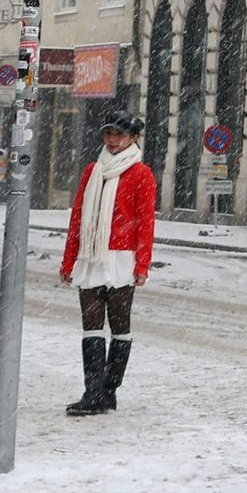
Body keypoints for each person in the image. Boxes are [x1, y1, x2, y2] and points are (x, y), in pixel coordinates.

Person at [57, 113, 154, 417]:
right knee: (91, 326)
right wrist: (69, 258)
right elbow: (77, 217)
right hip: (90, 255)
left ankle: (109, 390)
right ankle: (92, 392)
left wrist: (142, 264)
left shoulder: (141, 174)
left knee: (120, 325)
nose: (113, 141)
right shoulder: (92, 171)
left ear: (133, 138)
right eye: (108, 134)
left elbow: (145, 223)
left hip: (121, 258)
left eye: (119, 135)